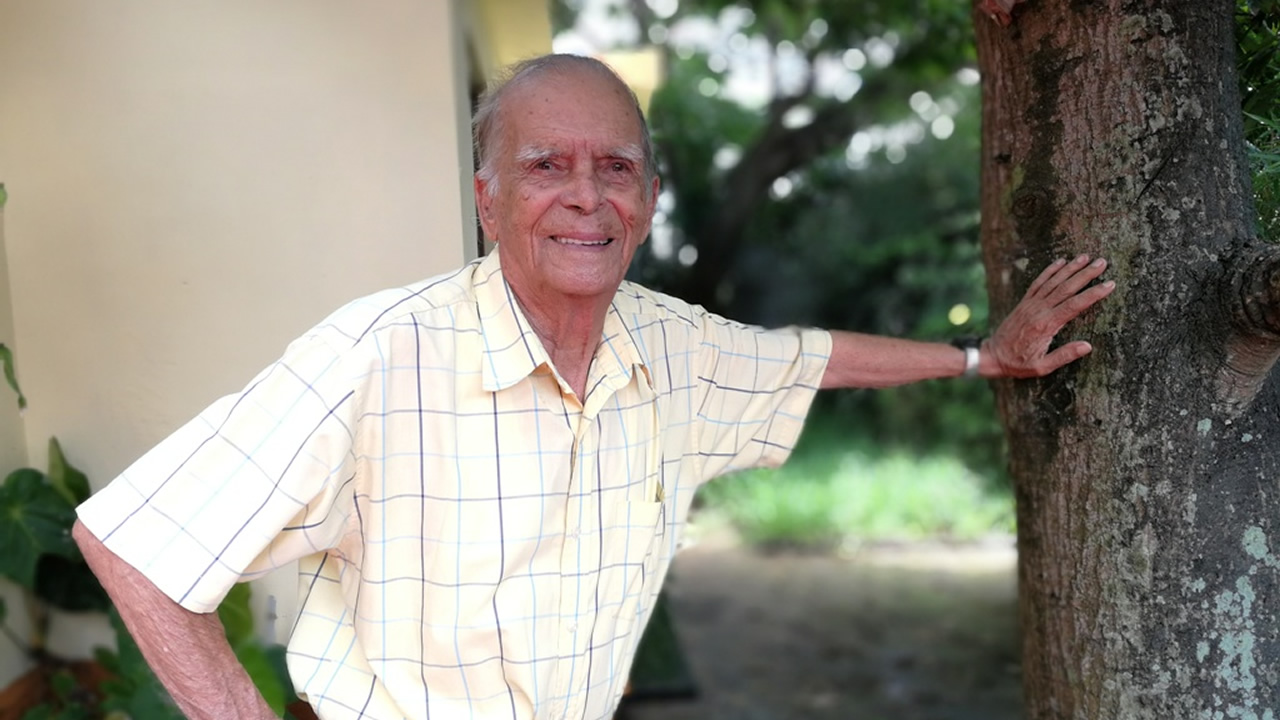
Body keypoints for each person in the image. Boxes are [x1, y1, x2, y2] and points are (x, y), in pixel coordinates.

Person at [73, 53, 1114, 720]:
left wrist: (988, 357)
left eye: (614, 168)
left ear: (649, 198)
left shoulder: (674, 350)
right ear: (485, 198)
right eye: (545, 167)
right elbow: (133, 545)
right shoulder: (377, 355)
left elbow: (811, 356)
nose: (585, 196)